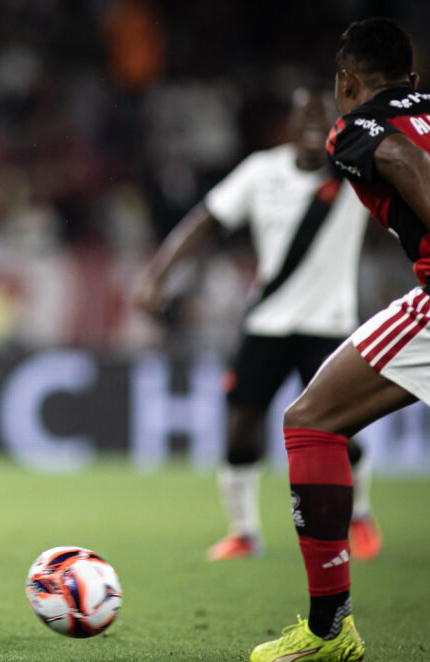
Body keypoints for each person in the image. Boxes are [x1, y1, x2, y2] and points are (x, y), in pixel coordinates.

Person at [250, 18, 430, 662]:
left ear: (348, 82)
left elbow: (405, 161)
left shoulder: (358, 126)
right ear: (415, 76)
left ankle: (328, 628)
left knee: (310, 421)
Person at [137, 86, 383, 562]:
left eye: (321, 118)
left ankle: (360, 513)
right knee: (241, 425)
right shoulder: (261, 171)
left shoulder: (355, 175)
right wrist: (157, 278)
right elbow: (205, 221)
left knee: (341, 432)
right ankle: (244, 532)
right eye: (303, 118)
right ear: (288, 125)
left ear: (334, 124)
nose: (312, 126)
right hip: (268, 322)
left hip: (330, 323)